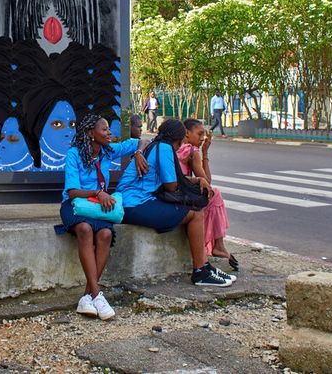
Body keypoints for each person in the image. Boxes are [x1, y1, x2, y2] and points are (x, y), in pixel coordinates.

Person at [117, 118, 235, 287]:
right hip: (135, 203)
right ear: (179, 139)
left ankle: (205, 266)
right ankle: (200, 271)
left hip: (134, 200)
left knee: (191, 210)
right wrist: (194, 182)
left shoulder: (155, 145)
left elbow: (170, 180)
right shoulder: (165, 148)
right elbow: (171, 186)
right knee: (195, 215)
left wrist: (196, 180)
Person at [57, 114, 148, 320]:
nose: (109, 133)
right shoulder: (74, 154)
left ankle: (87, 297)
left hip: (97, 207)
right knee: (85, 229)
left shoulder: (108, 151)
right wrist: (97, 193)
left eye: (108, 129)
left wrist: (139, 153)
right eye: (104, 129)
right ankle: (97, 294)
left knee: (106, 233)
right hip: (75, 205)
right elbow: (71, 192)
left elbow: (143, 140)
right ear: (91, 134)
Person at [178, 119, 237, 271]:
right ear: (187, 133)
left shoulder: (176, 148)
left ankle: (217, 245)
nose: (203, 138)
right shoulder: (191, 151)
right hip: (182, 195)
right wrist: (204, 152)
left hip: (175, 192)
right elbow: (206, 181)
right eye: (199, 134)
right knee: (214, 194)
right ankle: (218, 245)